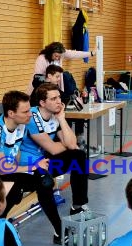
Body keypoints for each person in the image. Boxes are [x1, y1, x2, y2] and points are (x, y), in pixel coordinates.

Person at [0, 90, 65, 244]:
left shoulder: (21, 126)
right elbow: (2, 168)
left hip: (7, 170)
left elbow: (15, 156)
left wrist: (32, 169)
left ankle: (59, 231)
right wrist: (33, 166)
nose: (30, 115)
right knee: (15, 189)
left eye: (30, 110)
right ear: (11, 113)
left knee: (45, 182)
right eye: (25, 112)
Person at [19, 83, 89, 217]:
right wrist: (66, 143)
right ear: (42, 103)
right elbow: (53, 149)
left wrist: (62, 119)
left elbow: (73, 144)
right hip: (29, 165)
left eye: (59, 97)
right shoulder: (33, 117)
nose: (59, 102)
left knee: (79, 155)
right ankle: (58, 226)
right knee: (72, 152)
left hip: (44, 161)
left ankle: (77, 206)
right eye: (53, 99)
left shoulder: (55, 115)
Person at [27, 41, 94, 95]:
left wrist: (90, 53)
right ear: (51, 52)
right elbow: (37, 78)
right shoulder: (41, 58)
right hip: (39, 89)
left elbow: (74, 54)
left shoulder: (60, 54)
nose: (58, 58)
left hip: (53, 87)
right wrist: (49, 81)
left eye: (60, 56)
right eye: (56, 56)